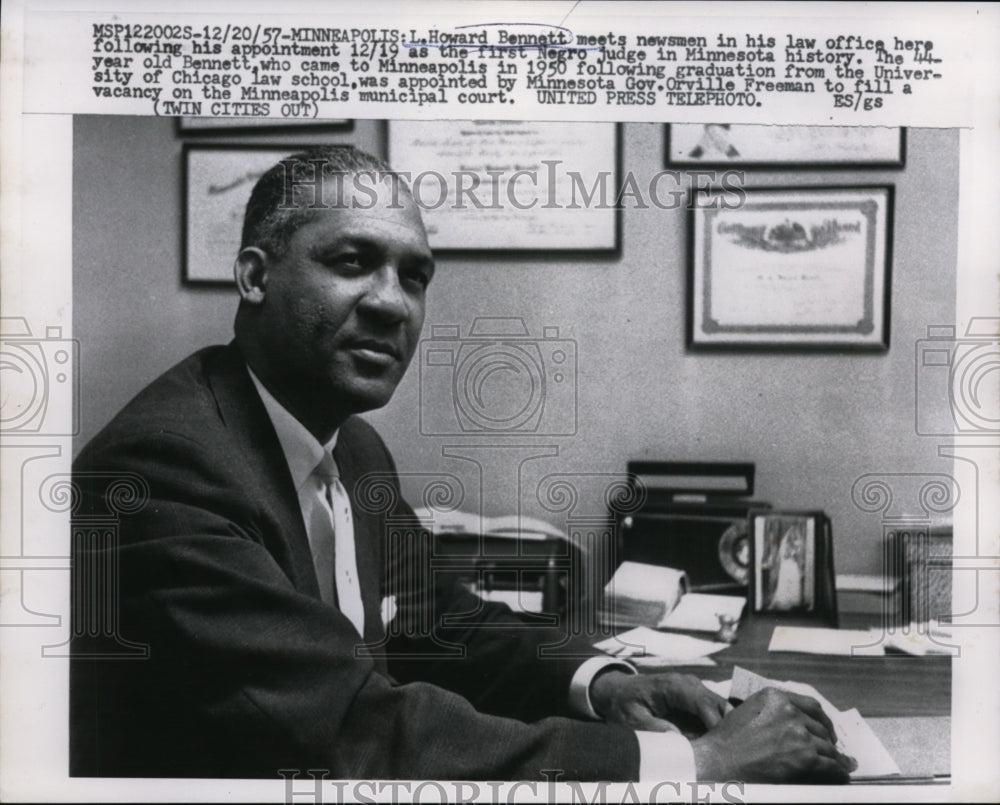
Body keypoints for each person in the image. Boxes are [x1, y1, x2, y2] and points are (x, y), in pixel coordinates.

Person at [70, 146, 853, 783]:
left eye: (415, 276)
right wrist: (697, 760)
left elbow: (443, 623)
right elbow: (349, 727)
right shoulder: (164, 466)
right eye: (352, 261)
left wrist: (609, 681)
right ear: (253, 275)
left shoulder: (355, 448)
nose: (392, 303)